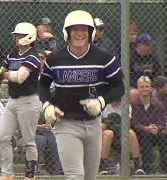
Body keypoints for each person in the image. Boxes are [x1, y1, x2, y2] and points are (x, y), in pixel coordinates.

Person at [39, 10, 125, 180]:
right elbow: (42, 84)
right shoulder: (55, 59)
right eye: (75, 30)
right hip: (66, 124)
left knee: (89, 177)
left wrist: (101, 101)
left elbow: (119, 87)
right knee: (75, 176)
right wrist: (47, 105)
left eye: (84, 30)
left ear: (90, 33)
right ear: (67, 33)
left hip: (94, 124)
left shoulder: (104, 58)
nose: (79, 34)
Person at [0, 22, 42, 180]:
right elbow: (1, 73)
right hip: (13, 101)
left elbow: (20, 77)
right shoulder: (12, 54)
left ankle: (30, 176)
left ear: (29, 37)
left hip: (29, 101)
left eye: (21, 35)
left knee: (28, 141)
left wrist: (0, 73)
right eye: (16, 35)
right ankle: (7, 173)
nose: (17, 37)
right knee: (3, 136)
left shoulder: (33, 56)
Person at [131, 76, 167, 174]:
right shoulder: (133, 104)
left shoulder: (158, 104)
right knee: (145, 136)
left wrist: (157, 127)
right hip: (139, 134)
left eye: (147, 86)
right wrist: (145, 128)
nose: (144, 89)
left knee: (163, 137)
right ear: (138, 88)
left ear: (151, 88)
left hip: (155, 132)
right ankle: (148, 168)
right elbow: (134, 123)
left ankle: (165, 169)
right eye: (142, 86)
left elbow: (162, 122)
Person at [98, 100, 145, 175]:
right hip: (108, 132)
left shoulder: (126, 106)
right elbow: (100, 125)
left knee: (131, 132)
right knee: (108, 133)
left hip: (121, 132)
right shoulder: (103, 106)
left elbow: (127, 123)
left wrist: (110, 123)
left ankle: (137, 166)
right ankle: (102, 167)